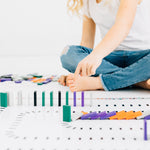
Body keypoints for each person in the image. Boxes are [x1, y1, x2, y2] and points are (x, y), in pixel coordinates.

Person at [58, 0, 150, 92]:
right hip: (111, 59)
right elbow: (87, 41)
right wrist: (79, 72)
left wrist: (95, 56)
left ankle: (99, 82)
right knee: (68, 53)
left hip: (143, 57)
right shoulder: (88, 2)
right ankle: (138, 80)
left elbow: (122, 27)